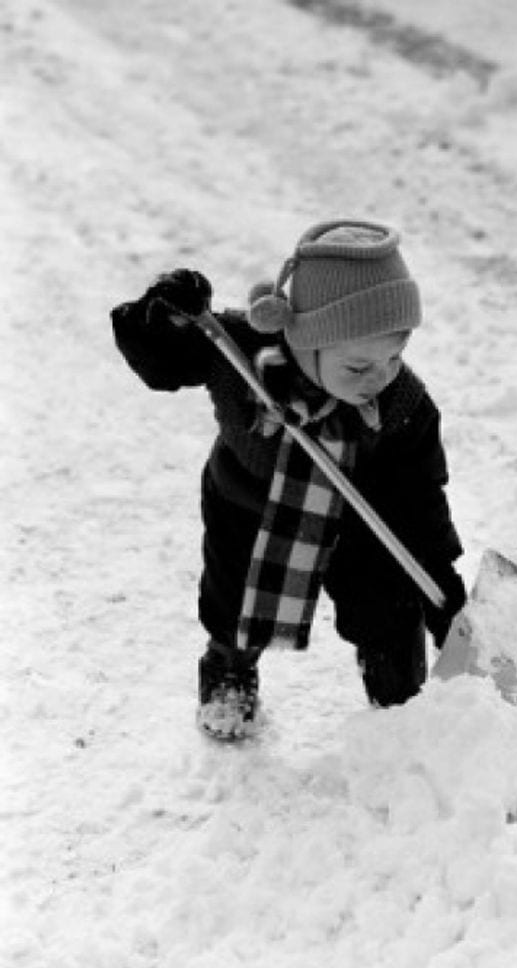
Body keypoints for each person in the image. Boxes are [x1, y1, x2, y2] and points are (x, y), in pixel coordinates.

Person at [110, 218, 466, 740]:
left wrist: (444, 586)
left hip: (360, 516)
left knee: (389, 600)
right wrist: (160, 316)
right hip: (248, 505)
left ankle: (397, 692)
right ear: (307, 341)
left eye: (395, 356)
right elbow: (161, 363)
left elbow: (418, 498)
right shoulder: (241, 354)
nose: (379, 378)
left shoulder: (403, 403)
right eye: (359, 366)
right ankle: (230, 671)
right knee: (235, 601)